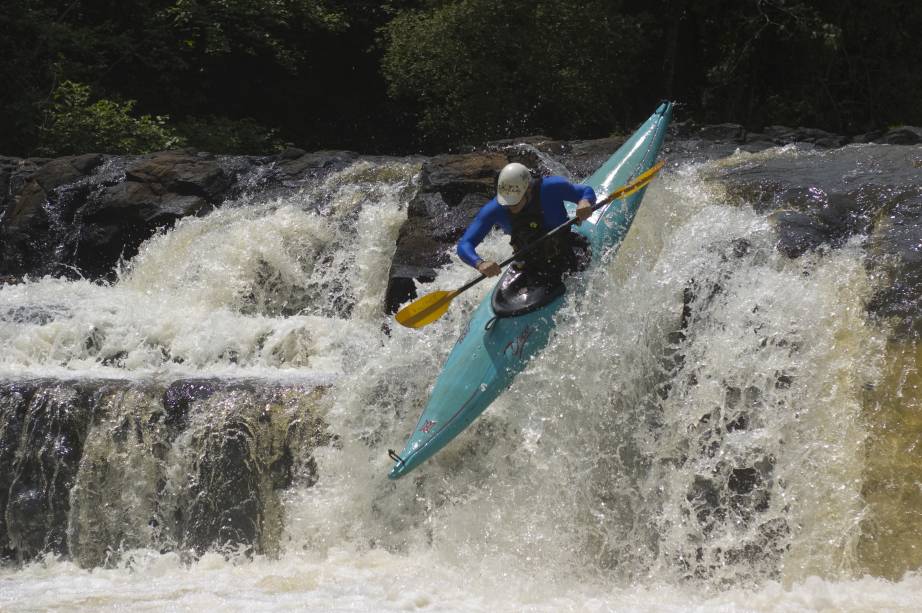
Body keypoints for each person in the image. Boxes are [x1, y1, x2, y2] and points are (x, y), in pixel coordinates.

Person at [457, 162, 595, 289]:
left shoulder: (551, 187)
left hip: (566, 247)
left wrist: (585, 202)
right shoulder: (494, 209)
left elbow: (586, 191)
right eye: (506, 203)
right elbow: (465, 244)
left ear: (528, 189)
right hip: (530, 262)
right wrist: (479, 263)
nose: (510, 207)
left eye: (514, 202)